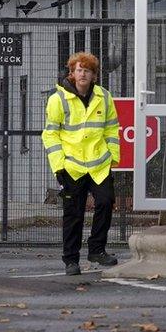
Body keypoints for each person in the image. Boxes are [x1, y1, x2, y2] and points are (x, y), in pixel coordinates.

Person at [42, 52, 120, 276]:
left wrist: (112, 156)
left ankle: (96, 249)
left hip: (98, 164)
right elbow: (50, 135)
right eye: (79, 70)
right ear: (72, 74)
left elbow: (112, 129)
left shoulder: (104, 97)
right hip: (72, 166)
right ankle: (71, 260)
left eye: (87, 70)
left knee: (105, 203)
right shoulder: (58, 99)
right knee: (73, 213)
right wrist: (59, 166)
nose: (83, 73)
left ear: (94, 76)